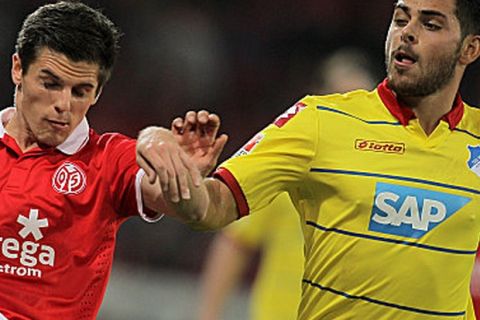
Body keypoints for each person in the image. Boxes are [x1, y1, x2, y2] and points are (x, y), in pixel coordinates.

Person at [137, 0, 480, 318]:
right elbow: (214, 207)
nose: (406, 32)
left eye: (431, 24)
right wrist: (184, 177)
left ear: (469, 49)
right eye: (400, 19)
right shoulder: (318, 121)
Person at [0, 2, 226, 319]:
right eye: (50, 84)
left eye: (80, 91)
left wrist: (178, 172)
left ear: (98, 93)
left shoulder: (108, 161)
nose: (63, 105)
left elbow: (179, 202)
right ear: (17, 69)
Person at [196, 47, 377, 320]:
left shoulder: (386, 180)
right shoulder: (289, 170)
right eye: (341, 100)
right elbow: (235, 243)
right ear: (319, 100)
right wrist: (208, 314)